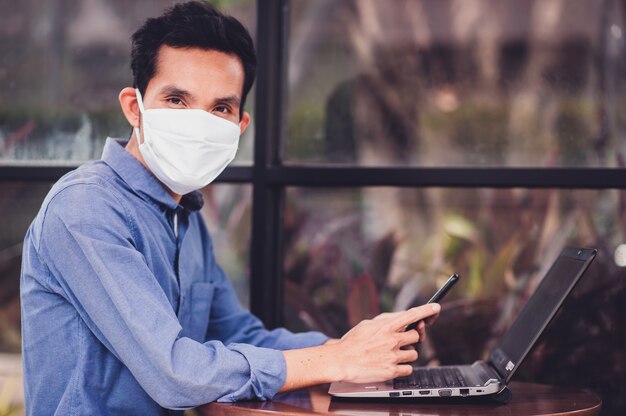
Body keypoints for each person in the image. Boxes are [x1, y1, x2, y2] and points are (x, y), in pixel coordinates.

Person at [19, 2, 440, 414]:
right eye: (177, 100)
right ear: (135, 107)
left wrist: (352, 346)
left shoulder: (184, 217)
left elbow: (236, 332)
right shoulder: (85, 208)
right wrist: (333, 362)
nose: (198, 122)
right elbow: (176, 374)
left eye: (220, 107)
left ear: (239, 125)